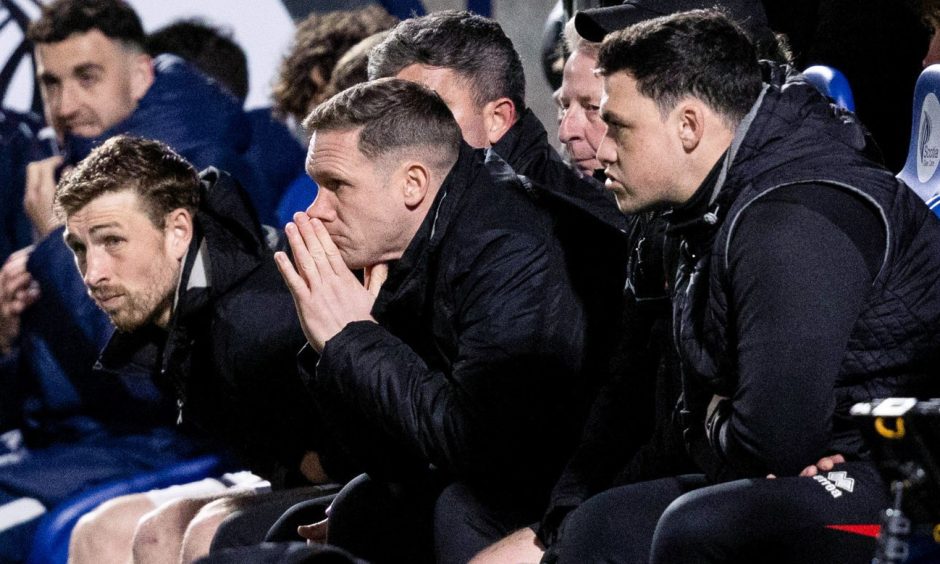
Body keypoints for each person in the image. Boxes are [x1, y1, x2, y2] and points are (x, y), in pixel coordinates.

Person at [510, 9, 940, 563]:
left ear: (688, 125)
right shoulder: (698, 210)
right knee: (598, 527)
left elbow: (772, 441)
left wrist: (716, 418)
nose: (603, 147)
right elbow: (703, 415)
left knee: (701, 527)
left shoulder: (788, 219)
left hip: (905, 474)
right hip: (830, 455)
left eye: (617, 126)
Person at [270, 77, 603, 564]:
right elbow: (390, 461)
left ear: (413, 184)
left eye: (336, 185)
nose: (315, 210)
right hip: (509, 474)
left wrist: (352, 340)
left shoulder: (507, 248)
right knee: (357, 508)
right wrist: (335, 346)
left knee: (455, 509)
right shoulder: (404, 252)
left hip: (577, 483)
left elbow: (484, 447)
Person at [51, 135, 326, 564]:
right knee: (102, 533)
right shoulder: (177, 307)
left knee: (204, 534)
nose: (93, 273)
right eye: (79, 249)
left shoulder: (254, 326)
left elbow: (330, 464)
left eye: (112, 241)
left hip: (365, 482)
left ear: (179, 231)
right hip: (282, 474)